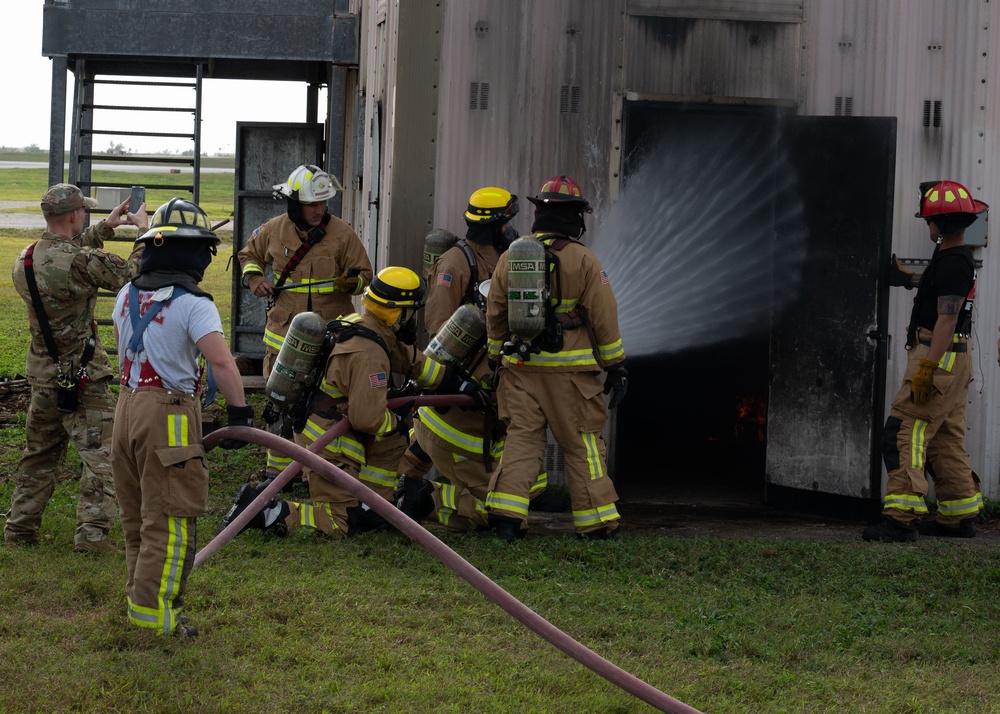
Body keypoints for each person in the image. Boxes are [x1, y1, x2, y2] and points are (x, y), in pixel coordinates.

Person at [220, 266, 452, 539]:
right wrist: (397, 418)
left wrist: (452, 380)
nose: (412, 320)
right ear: (396, 312)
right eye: (410, 312)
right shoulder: (369, 355)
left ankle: (374, 507)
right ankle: (262, 509)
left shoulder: (362, 325)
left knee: (390, 439)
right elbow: (367, 419)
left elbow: (407, 358)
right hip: (331, 442)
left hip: (321, 427)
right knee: (339, 522)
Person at [111, 198, 253, 638]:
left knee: (138, 518)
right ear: (195, 254)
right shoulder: (195, 304)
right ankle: (159, 622)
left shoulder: (126, 294)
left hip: (126, 409)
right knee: (170, 521)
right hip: (168, 414)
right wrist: (240, 414)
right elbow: (224, 364)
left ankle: (140, 607)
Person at [484, 175, 628, 542]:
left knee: (521, 441)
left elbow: (496, 310)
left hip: (519, 370)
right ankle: (596, 523)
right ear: (575, 217)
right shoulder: (584, 260)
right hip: (571, 378)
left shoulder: (512, 256)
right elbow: (603, 316)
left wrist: (494, 356)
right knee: (583, 446)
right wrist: (615, 366)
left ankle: (506, 518)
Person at [3, 184, 146, 552]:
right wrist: (146, 233)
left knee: (39, 457)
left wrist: (105, 228)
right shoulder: (80, 264)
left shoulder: (27, 258)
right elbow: (133, 272)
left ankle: (19, 530)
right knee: (107, 455)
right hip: (83, 380)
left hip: (45, 378)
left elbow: (69, 252)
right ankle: (93, 534)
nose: (85, 215)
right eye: (83, 211)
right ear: (73, 215)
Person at [863, 180, 987, 542]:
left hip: (938, 356)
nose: (926, 225)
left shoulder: (952, 262)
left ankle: (900, 519)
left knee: (904, 430)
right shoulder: (954, 259)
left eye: (929, 220)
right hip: (955, 359)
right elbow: (940, 290)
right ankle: (959, 516)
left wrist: (927, 368)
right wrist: (907, 280)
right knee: (944, 437)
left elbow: (946, 318)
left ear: (941, 224)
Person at [238, 164, 373, 481]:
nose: (319, 210)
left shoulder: (342, 234)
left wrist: (349, 284)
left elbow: (365, 274)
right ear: (294, 204)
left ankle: (321, 469)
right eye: (312, 204)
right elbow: (248, 255)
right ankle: (277, 472)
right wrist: (255, 278)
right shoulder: (274, 229)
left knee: (326, 403)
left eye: (323, 203)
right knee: (280, 399)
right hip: (284, 337)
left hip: (331, 337)